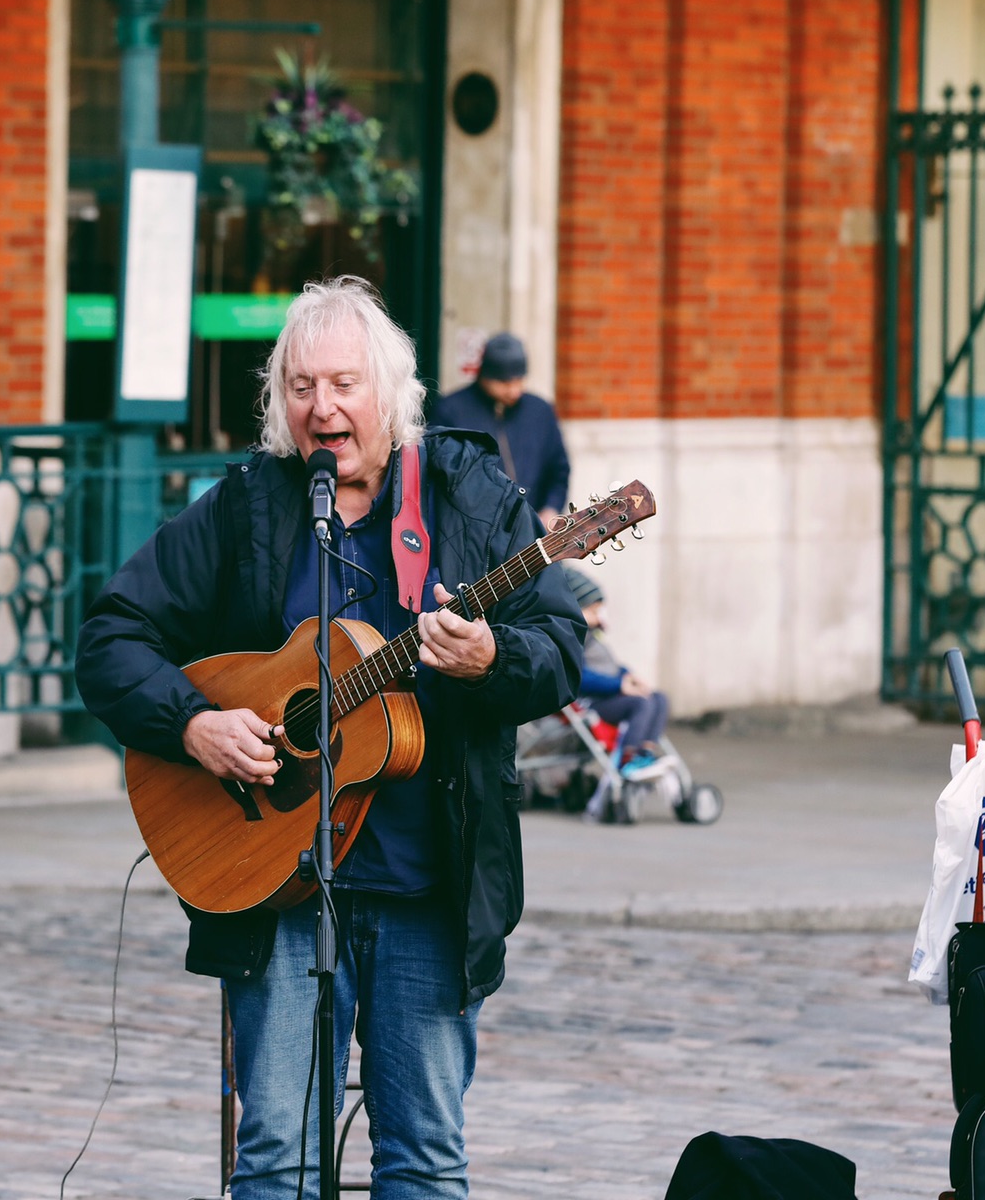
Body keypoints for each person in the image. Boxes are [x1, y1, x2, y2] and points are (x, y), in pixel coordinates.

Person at [75, 276, 585, 1199]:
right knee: (276, 1162)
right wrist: (193, 724)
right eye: (302, 387)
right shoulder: (247, 509)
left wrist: (487, 658)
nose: (323, 408)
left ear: (390, 391)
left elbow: (557, 653)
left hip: (430, 881)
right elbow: (111, 637)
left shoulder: (470, 501)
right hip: (277, 885)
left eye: (344, 384)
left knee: (425, 1162)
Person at [431, 332, 573, 529]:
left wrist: (551, 508)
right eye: (505, 383)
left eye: (519, 380)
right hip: (473, 538)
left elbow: (558, 469)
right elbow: (439, 481)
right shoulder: (450, 411)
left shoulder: (540, 411)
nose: (514, 390)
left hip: (534, 532)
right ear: (484, 376)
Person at [564, 567, 669, 765]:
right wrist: (619, 685)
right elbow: (579, 676)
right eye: (592, 611)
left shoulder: (592, 637)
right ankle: (630, 757)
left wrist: (627, 675)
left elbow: (608, 665)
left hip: (610, 693)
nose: (598, 618)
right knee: (641, 703)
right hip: (593, 702)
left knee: (659, 698)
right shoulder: (573, 641)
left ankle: (645, 751)